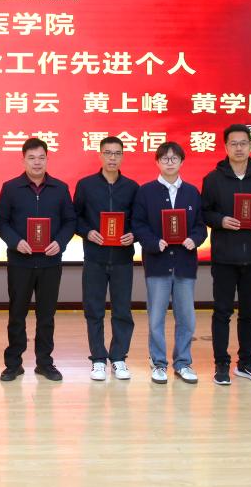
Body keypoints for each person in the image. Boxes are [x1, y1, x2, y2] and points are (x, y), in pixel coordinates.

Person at [201, 124, 251, 386]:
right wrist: (220, 220)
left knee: (250, 313)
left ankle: (246, 363)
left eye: (243, 143)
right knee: (222, 312)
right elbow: (204, 212)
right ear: (225, 147)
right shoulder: (213, 179)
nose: (239, 148)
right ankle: (221, 364)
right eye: (233, 143)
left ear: (250, 146)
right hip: (224, 257)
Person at [0, 137, 76, 382]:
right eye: (31, 158)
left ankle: (44, 362)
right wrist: (15, 241)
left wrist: (60, 242)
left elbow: (70, 221)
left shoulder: (60, 188)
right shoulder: (11, 188)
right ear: (23, 160)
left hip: (50, 262)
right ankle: (13, 364)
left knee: (46, 315)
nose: (37, 162)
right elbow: (1, 222)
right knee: (16, 314)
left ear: (47, 159)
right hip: (20, 262)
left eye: (41, 157)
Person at [132, 142, 208, 385]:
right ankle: (158, 363)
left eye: (174, 158)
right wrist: (154, 243)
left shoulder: (192, 192)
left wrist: (194, 239)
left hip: (185, 264)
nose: (170, 162)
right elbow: (138, 224)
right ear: (157, 162)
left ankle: (183, 363)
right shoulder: (146, 191)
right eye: (165, 158)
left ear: (182, 162)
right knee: (156, 318)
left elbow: (201, 226)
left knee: (186, 318)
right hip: (157, 263)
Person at [73, 136, 138, 381]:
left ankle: (119, 357)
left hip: (122, 259)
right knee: (94, 310)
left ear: (123, 156)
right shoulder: (86, 185)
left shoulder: (132, 187)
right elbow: (75, 217)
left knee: (122, 310)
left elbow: (139, 220)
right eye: (108, 153)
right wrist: (87, 231)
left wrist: (134, 235)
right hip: (95, 258)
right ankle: (98, 359)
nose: (112, 157)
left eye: (117, 153)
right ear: (100, 155)